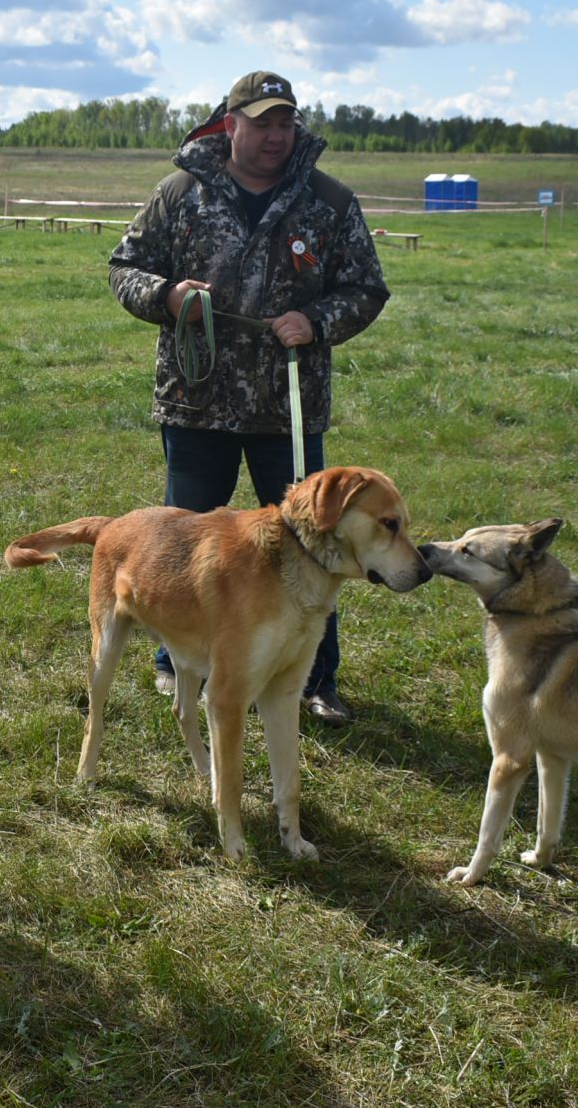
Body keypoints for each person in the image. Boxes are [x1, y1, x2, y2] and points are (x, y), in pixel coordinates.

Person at [108, 70, 388, 727]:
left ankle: (314, 678)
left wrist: (317, 320)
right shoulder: (178, 194)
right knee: (182, 544)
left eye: (285, 122)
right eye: (261, 122)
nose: (274, 135)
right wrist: (167, 296)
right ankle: (177, 662)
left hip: (285, 407)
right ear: (227, 124)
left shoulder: (328, 202)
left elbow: (367, 288)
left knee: (312, 542)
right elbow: (125, 267)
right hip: (196, 400)